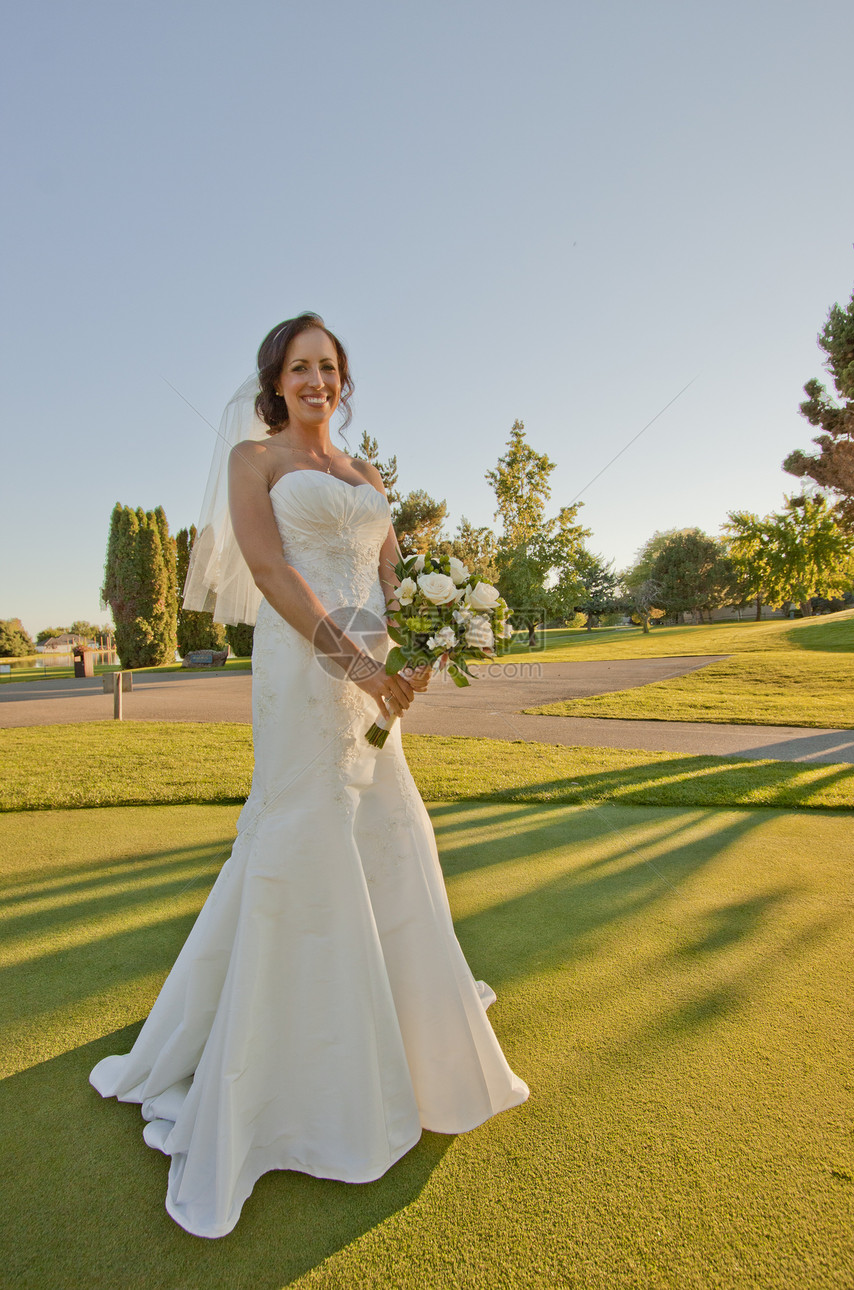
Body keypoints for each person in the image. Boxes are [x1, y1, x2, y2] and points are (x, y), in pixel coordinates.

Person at [90, 313, 529, 1239]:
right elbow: (269, 567)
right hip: (303, 666)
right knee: (304, 825)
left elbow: (398, 582)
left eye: (329, 366)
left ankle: (401, 1038)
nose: (316, 379)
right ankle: (281, 1061)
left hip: (375, 670)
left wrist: (414, 656)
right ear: (276, 380)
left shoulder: (369, 476)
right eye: (301, 367)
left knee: (383, 822)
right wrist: (354, 663)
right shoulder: (256, 461)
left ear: (345, 380)